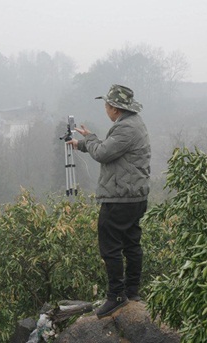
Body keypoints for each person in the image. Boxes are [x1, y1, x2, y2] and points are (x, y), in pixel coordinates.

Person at [68, 84, 151, 318]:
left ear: (115, 108)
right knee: (131, 242)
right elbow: (106, 148)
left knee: (110, 246)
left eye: (106, 104)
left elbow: (103, 153)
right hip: (134, 196)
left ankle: (116, 296)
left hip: (120, 198)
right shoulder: (134, 124)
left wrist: (87, 141)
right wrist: (87, 141)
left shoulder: (125, 129)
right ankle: (132, 292)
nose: (105, 108)